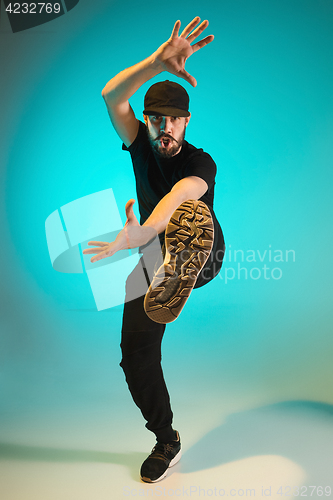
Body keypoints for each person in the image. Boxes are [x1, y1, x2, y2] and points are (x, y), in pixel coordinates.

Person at [83, 16, 225, 483]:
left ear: (186, 121)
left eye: (173, 120)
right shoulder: (140, 144)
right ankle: (167, 439)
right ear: (147, 120)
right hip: (152, 256)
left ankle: (183, 260)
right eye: (156, 119)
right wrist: (155, 62)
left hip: (199, 250)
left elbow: (183, 191)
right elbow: (110, 95)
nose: (164, 128)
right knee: (134, 352)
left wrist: (145, 230)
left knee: (187, 212)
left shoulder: (200, 161)